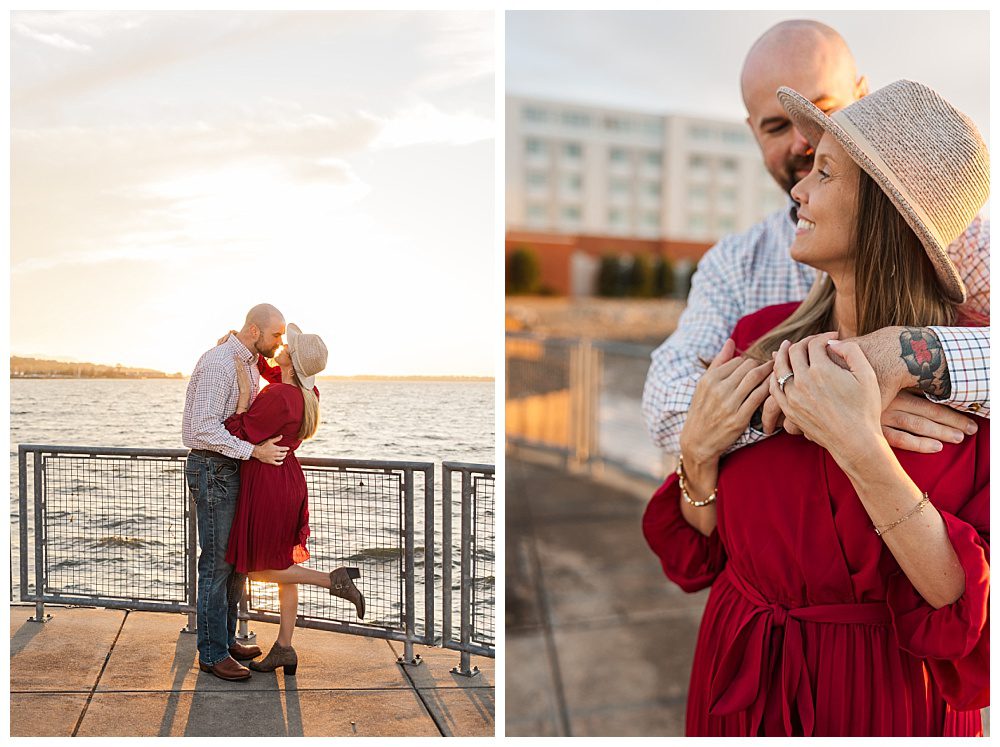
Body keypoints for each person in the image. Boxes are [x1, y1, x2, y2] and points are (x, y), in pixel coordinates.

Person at [643, 79, 988, 736]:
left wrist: (858, 443)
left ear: (886, 210)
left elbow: (962, 610)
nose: (799, 188)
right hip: (738, 679)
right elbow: (698, 549)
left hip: (886, 700)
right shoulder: (756, 337)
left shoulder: (967, 380)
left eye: (825, 172)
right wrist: (696, 451)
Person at [641, 20, 989, 460]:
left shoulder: (963, 239)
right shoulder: (734, 263)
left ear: (864, 97)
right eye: (774, 128)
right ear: (753, 132)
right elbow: (664, 407)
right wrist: (821, 399)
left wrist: (901, 358)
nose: (801, 141)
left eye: (821, 111)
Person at [223, 322, 365, 676]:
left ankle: (333, 580)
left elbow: (236, 429)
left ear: (294, 359)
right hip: (288, 481)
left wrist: (242, 396)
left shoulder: (278, 397)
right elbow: (277, 373)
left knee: (254, 566)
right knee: (285, 568)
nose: (283, 343)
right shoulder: (306, 392)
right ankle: (284, 647)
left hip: (268, 483)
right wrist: (246, 352)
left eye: (290, 345)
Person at [182, 303, 290, 682]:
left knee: (234, 560)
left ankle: (224, 641)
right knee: (216, 564)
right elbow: (203, 428)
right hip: (212, 468)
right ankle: (211, 653)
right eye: (277, 334)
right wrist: (255, 451)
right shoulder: (219, 363)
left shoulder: (247, 361)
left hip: (230, 468)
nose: (281, 341)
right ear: (255, 330)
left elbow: (285, 379)